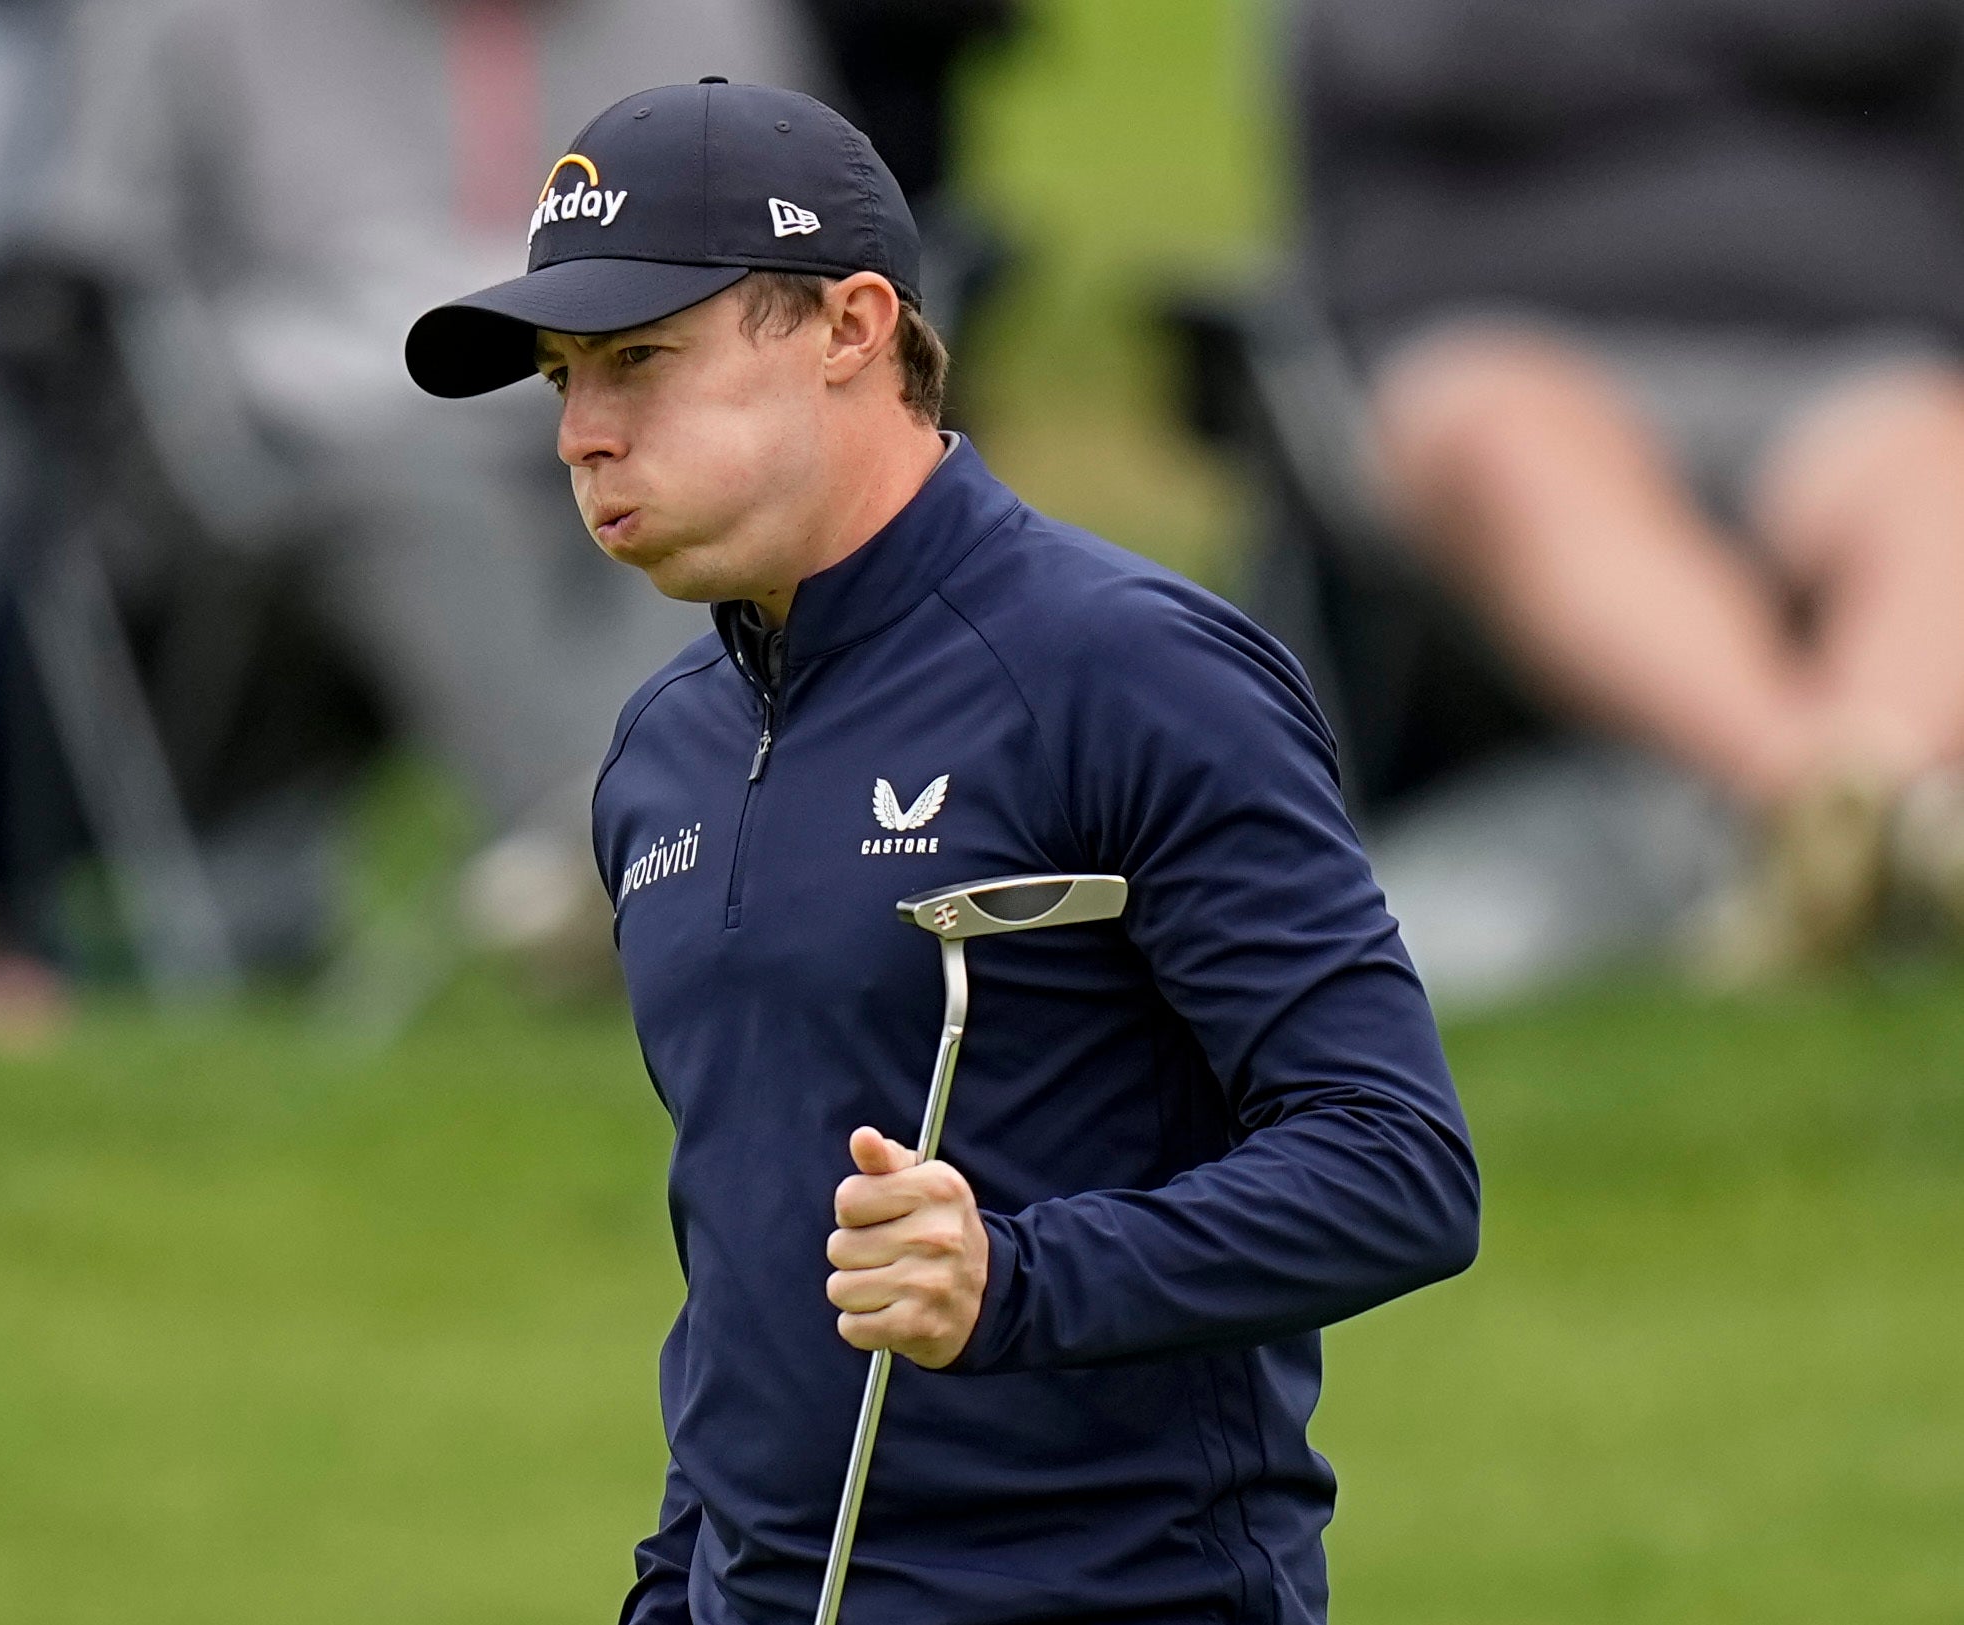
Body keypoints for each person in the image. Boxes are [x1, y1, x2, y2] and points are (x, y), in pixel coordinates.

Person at [407, 81, 1479, 1623]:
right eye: (564, 375)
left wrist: (1018, 1281)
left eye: (640, 358)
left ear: (850, 327)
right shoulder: (661, 756)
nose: (582, 434)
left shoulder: (1131, 672)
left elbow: (1395, 1169)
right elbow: (753, 1280)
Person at [25, 0, 819, 977]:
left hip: (622, 395)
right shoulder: (193, 23)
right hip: (316, 443)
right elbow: (104, 264)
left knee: (726, 491)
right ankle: (623, 837)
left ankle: (629, 844)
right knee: (422, 500)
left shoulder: (711, 22)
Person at [1295, 0, 1964, 973]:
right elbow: (1430, 52)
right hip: (1506, 355)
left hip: (1855, 357)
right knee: (1505, 444)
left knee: (1939, 458)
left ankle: (1841, 821)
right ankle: (1835, 803)